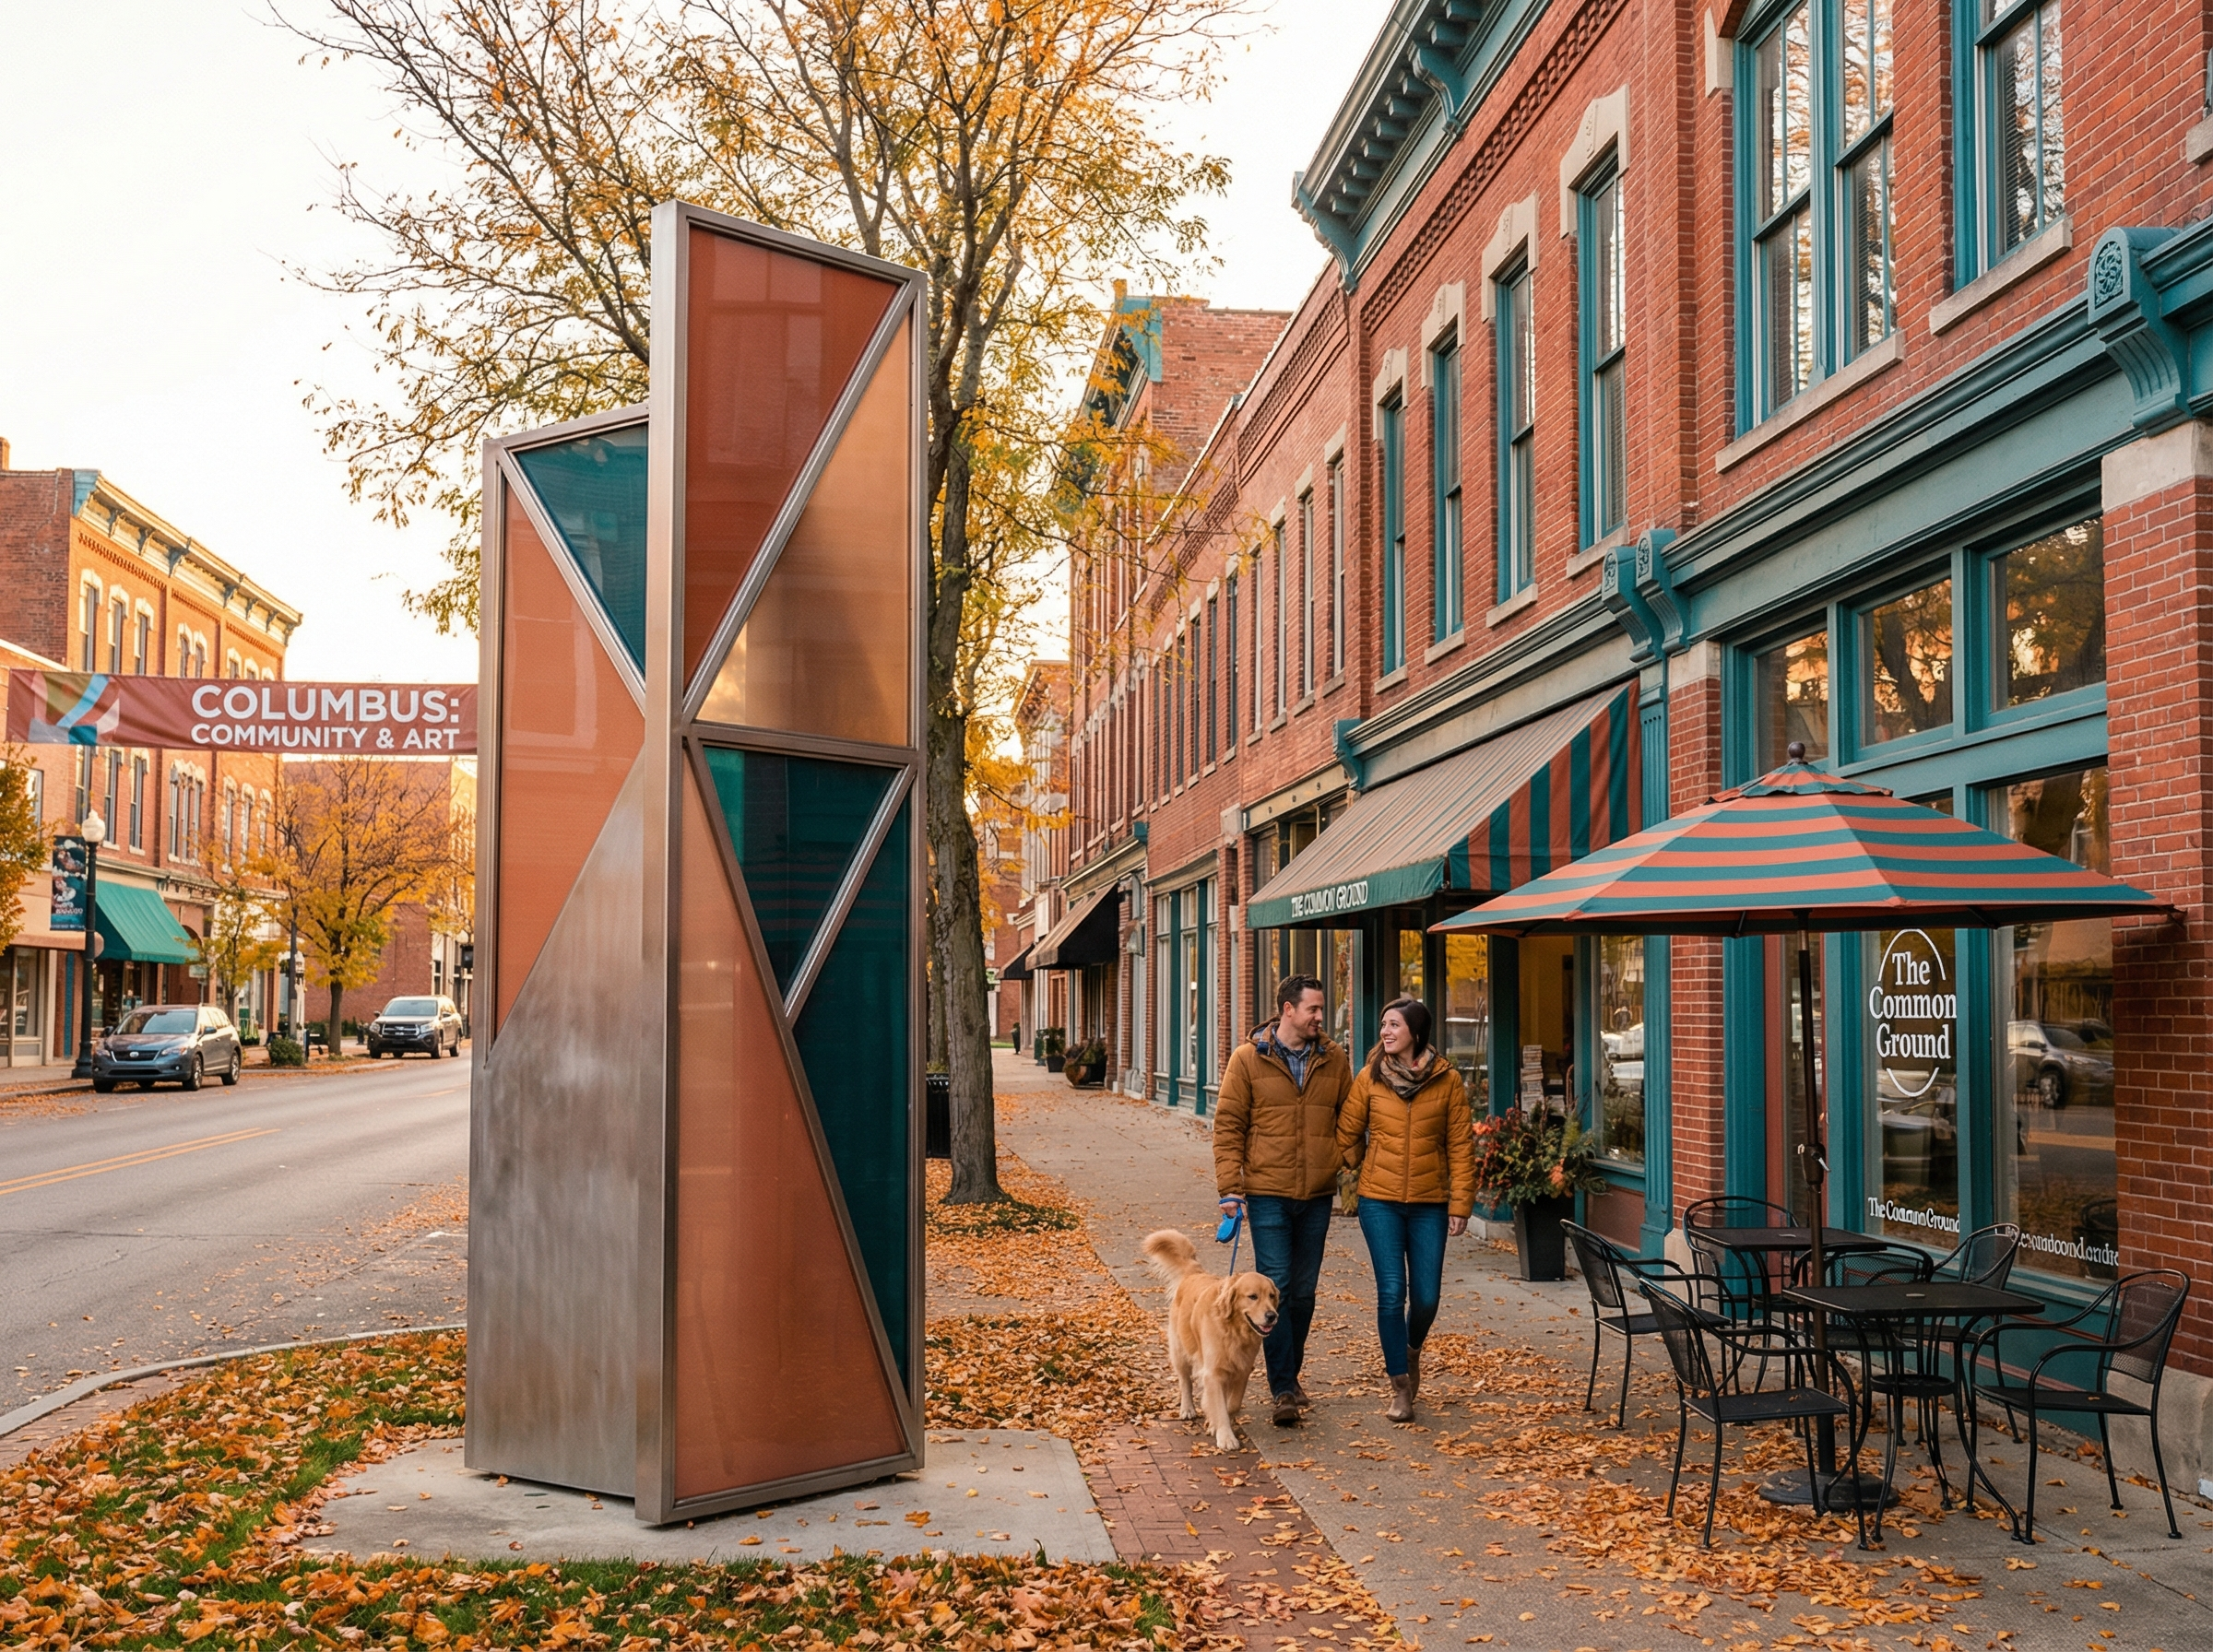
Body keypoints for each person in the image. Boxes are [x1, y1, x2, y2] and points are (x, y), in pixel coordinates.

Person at [1213, 974, 1355, 1429]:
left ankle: (1289, 1373)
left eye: (1321, 1008)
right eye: (1313, 1009)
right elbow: (1228, 1125)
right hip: (1266, 1192)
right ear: (1288, 1010)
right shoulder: (1248, 1059)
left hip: (1316, 1194)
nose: (1320, 1017)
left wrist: (1343, 1160)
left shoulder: (1334, 1060)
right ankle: (1283, 1390)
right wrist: (1230, 1188)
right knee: (1280, 1289)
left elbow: (1350, 1118)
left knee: (1305, 1292)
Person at [1338, 996, 1473, 1422]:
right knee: (1392, 1292)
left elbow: (1461, 1146)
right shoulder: (1370, 1077)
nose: (1385, 1032)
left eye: (1394, 1024)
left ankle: (1411, 1349)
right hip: (1379, 1202)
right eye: (1384, 1024)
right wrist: (1363, 1163)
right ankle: (1400, 1386)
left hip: (1430, 1203)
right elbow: (1346, 1132)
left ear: (1416, 1032)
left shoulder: (1447, 1081)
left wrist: (1460, 1203)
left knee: (1427, 1298)